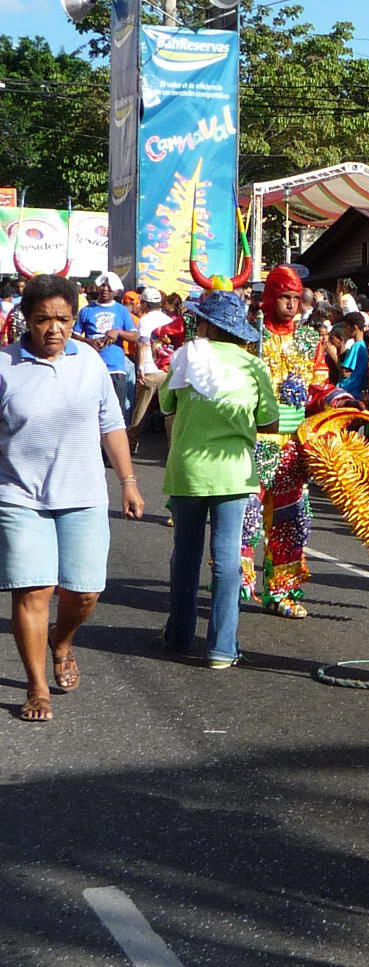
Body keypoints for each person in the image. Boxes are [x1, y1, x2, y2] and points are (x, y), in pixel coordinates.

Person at [0, 274, 145, 723]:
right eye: (43, 319)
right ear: (26, 319)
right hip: (19, 494)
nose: (54, 329)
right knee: (34, 589)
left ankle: (61, 642)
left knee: (83, 592)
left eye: (63, 318)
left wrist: (129, 481)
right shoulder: (4, 365)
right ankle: (36, 686)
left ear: (73, 318)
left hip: (82, 493)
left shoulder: (91, 363)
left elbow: (111, 425)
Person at [159, 291, 279, 669]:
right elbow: (268, 422)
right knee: (227, 560)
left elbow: (166, 405)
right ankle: (222, 648)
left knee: (186, 555)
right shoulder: (253, 366)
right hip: (234, 471)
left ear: (208, 325)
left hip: (188, 469)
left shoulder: (186, 357)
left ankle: (179, 635)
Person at [240, 265, 355, 618]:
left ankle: (283, 591)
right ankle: (236, 584)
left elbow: (317, 386)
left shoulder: (309, 341)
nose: (291, 305)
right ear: (271, 298)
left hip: (292, 445)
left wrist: (335, 399)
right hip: (253, 442)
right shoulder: (250, 336)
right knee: (245, 518)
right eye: (284, 298)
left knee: (290, 520)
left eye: (295, 298)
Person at [74, 271, 138, 421]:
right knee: (92, 411)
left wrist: (118, 332)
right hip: (92, 369)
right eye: (102, 286)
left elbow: (135, 336)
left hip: (115, 369)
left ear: (115, 291)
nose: (105, 289)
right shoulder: (86, 310)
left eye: (109, 287)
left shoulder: (121, 311)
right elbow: (73, 335)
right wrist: (88, 342)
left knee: (116, 412)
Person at [126, 286, 173, 449]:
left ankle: (132, 443)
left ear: (145, 304)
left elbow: (142, 344)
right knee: (169, 411)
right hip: (167, 370)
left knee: (141, 410)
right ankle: (172, 445)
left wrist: (139, 367)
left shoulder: (145, 321)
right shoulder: (169, 319)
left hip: (149, 370)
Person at [338, 312, 369, 396]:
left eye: (346, 327)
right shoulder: (362, 346)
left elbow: (345, 373)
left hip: (350, 391)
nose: (344, 331)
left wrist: (334, 355)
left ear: (354, 328)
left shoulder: (356, 347)